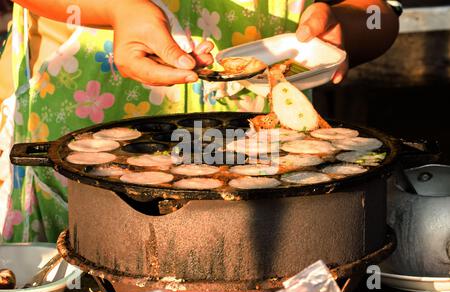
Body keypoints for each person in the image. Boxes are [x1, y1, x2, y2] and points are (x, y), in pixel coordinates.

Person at [0, 0, 399, 243]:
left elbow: (381, 14)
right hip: (92, 134)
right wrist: (114, 8)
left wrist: (346, 25)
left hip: (272, 154)